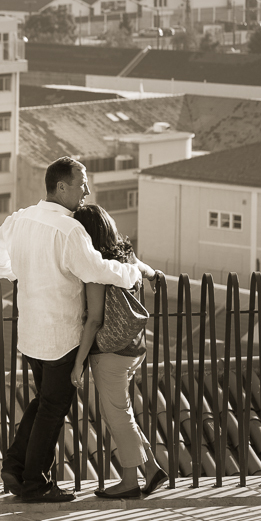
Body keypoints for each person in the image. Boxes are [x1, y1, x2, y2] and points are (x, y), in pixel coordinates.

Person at [0, 156, 156, 503]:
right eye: (82, 184)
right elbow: (96, 270)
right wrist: (135, 273)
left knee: (45, 402)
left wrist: (11, 272)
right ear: (61, 187)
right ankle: (36, 483)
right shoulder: (70, 229)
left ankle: (16, 466)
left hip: (31, 333)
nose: (87, 191)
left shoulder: (21, 218)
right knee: (53, 408)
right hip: (61, 336)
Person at [70, 203, 167, 499]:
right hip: (135, 348)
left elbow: (95, 319)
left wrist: (78, 363)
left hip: (109, 353)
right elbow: (147, 270)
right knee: (123, 412)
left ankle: (129, 481)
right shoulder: (126, 254)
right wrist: (154, 276)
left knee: (118, 415)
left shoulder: (97, 267)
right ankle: (151, 470)